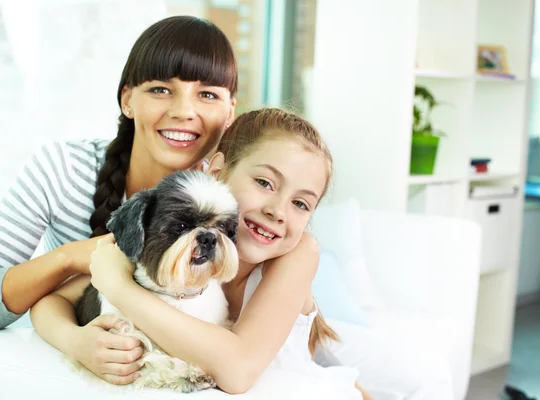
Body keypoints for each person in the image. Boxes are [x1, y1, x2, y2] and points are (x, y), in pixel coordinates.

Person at [32, 107, 371, 398]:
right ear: (217, 170)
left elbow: (237, 370)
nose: (278, 211)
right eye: (265, 183)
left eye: (300, 203)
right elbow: (50, 301)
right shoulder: (168, 244)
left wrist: (119, 289)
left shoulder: (297, 254)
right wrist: (75, 341)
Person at [0, 16, 236, 337]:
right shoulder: (65, 169)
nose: (183, 111)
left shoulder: (237, 196)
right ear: (127, 100)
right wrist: (67, 259)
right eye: (160, 89)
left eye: (207, 95)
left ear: (230, 112)